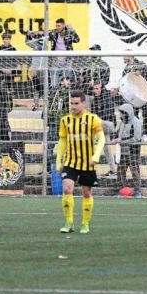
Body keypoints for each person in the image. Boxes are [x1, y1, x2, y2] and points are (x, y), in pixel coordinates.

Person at [55, 90, 106, 234]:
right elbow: (63, 141)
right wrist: (59, 161)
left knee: (86, 193)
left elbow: (102, 138)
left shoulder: (92, 119)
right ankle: (69, 222)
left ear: (83, 103)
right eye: (71, 103)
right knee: (67, 188)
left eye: (76, 103)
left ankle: (85, 223)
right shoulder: (65, 120)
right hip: (70, 162)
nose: (73, 106)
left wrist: (96, 156)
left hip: (87, 162)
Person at [87, 80, 120, 174]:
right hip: (100, 127)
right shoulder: (95, 98)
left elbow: (107, 115)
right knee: (106, 147)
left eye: (97, 88)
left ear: (101, 88)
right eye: (94, 88)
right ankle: (113, 169)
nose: (95, 90)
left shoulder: (107, 98)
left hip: (109, 125)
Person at [111, 95, 142, 193]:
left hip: (133, 151)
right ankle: (121, 189)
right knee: (120, 171)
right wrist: (115, 138)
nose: (120, 115)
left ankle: (137, 190)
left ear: (126, 113)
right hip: (123, 151)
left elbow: (136, 138)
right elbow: (119, 134)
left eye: (121, 113)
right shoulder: (122, 122)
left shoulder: (136, 122)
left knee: (135, 171)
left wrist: (121, 140)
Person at [123, 54, 147, 140]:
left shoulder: (141, 64)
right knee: (134, 114)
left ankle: (145, 134)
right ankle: (136, 134)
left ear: (131, 56)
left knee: (146, 114)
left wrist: (141, 73)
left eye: (125, 55)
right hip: (134, 95)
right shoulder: (125, 69)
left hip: (145, 93)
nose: (123, 57)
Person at [46, 17, 79, 88]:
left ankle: (67, 97)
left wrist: (72, 30)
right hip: (56, 61)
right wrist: (30, 34)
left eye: (59, 26)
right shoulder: (53, 33)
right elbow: (42, 34)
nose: (57, 27)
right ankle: (54, 96)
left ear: (63, 25)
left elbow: (77, 40)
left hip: (67, 61)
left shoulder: (69, 33)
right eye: (56, 26)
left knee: (67, 82)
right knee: (54, 83)